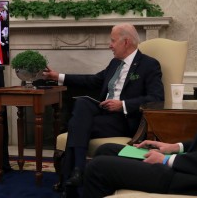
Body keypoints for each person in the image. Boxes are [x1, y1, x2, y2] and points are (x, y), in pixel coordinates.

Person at [42, 23, 164, 196]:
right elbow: (92, 80)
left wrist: (121, 104)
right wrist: (58, 76)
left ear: (126, 42)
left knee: (77, 125)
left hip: (123, 119)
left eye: (113, 41)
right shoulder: (115, 63)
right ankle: (78, 170)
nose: (110, 45)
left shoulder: (149, 65)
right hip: (102, 113)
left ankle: (72, 179)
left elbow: (156, 98)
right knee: (83, 102)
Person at [83, 122, 197, 197]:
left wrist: (166, 159)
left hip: (189, 178)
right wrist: (175, 147)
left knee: (98, 167)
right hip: (190, 162)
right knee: (106, 149)